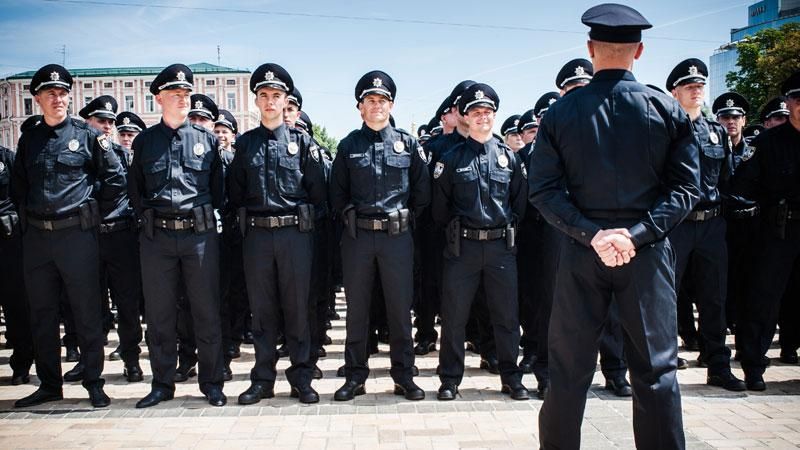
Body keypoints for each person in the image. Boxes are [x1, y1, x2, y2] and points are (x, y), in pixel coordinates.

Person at [529, 4, 700, 448]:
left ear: (590, 49)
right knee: (656, 371)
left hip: (583, 253)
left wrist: (594, 234)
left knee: (567, 371)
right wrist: (635, 235)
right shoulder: (665, 108)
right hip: (646, 255)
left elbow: (544, 192)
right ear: (639, 51)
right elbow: (685, 190)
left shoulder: (560, 114)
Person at [12, 64, 126, 408]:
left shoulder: (88, 135)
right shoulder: (29, 138)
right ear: (37, 99)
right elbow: (20, 185)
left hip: (77, 236)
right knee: (42, 314)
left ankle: (94, 381)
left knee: (87, 311)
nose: (58, 99)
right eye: (50, 93)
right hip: (37, 240)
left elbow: (116, 180)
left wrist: (92, 214)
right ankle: (49, 384)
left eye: (63, 93)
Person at [128, 63, 226, 408]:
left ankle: (212, 383)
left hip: (199, 237)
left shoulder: (207, 140)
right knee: (159, 315)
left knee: (206, 312)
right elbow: (135, 192)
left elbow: (219, 191)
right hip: (158, 240)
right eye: (175, 94)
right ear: (159, 99)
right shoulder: (144, 142)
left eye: (186, 94)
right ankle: (162, 384)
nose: (183, 99)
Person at [227, 63, 326, 404]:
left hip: (295, 237)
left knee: (298, 309)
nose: (270, 102)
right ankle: (263, 378)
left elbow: (318, 195)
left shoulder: (302, 143)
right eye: (264, 96)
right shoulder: (245, 145)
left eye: (277, 96)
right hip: (256, 236)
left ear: (286, 101)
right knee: (263, 312)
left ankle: (301, 376)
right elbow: (235, 194)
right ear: (256, 100)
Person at [330, 70, 430, 401]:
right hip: (358, 239)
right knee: (357, 311)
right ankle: (355, 376)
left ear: (392, 105)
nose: (376, 106)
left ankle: (404, 376)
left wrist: (402, 220)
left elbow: (422, 193)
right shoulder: (348, 146)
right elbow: (337, 195)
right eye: (370, 101)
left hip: (397, 239)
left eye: (382, 100)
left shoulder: (408, 143)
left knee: (400, 310)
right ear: (360, 107)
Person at [432, 82, 530, 401]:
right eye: (476, 112)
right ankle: (449, 379)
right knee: (455, 316)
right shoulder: (451, 158)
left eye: (487, 112)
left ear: (494, 115)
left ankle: (510, 377)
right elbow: (440, 209)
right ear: (465, 116)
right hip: (464, 247)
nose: (482, 117)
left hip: (501, 246)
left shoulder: (508, 157)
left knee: (505, 316)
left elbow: (520, 203)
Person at [666, 60, 745, 391]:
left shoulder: (716, 132)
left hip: (711, 224)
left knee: (715, 298)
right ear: (675, 92)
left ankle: (717, 366)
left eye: (700, 85)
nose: (696, 90)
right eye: (689, 86)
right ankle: (664, 366)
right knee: (667, 298)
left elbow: (725, 177)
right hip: (676, 225)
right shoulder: (663, 129)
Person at [736, 70, 800, 389]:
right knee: (764, 299)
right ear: (788, 103)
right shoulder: (768, 143)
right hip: (779, 230)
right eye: (798, 100)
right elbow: (743, 185)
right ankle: (754, 365)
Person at [78, 95, 144, 383]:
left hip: (119, 235)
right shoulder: (76, 155)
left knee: (127, 303)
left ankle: (131, 360)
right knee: (88, 306)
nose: (106, 126)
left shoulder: (122, 155)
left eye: (110, 122)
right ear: (87, 122)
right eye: (100, 120)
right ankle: (88, 362)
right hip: (86, 237)